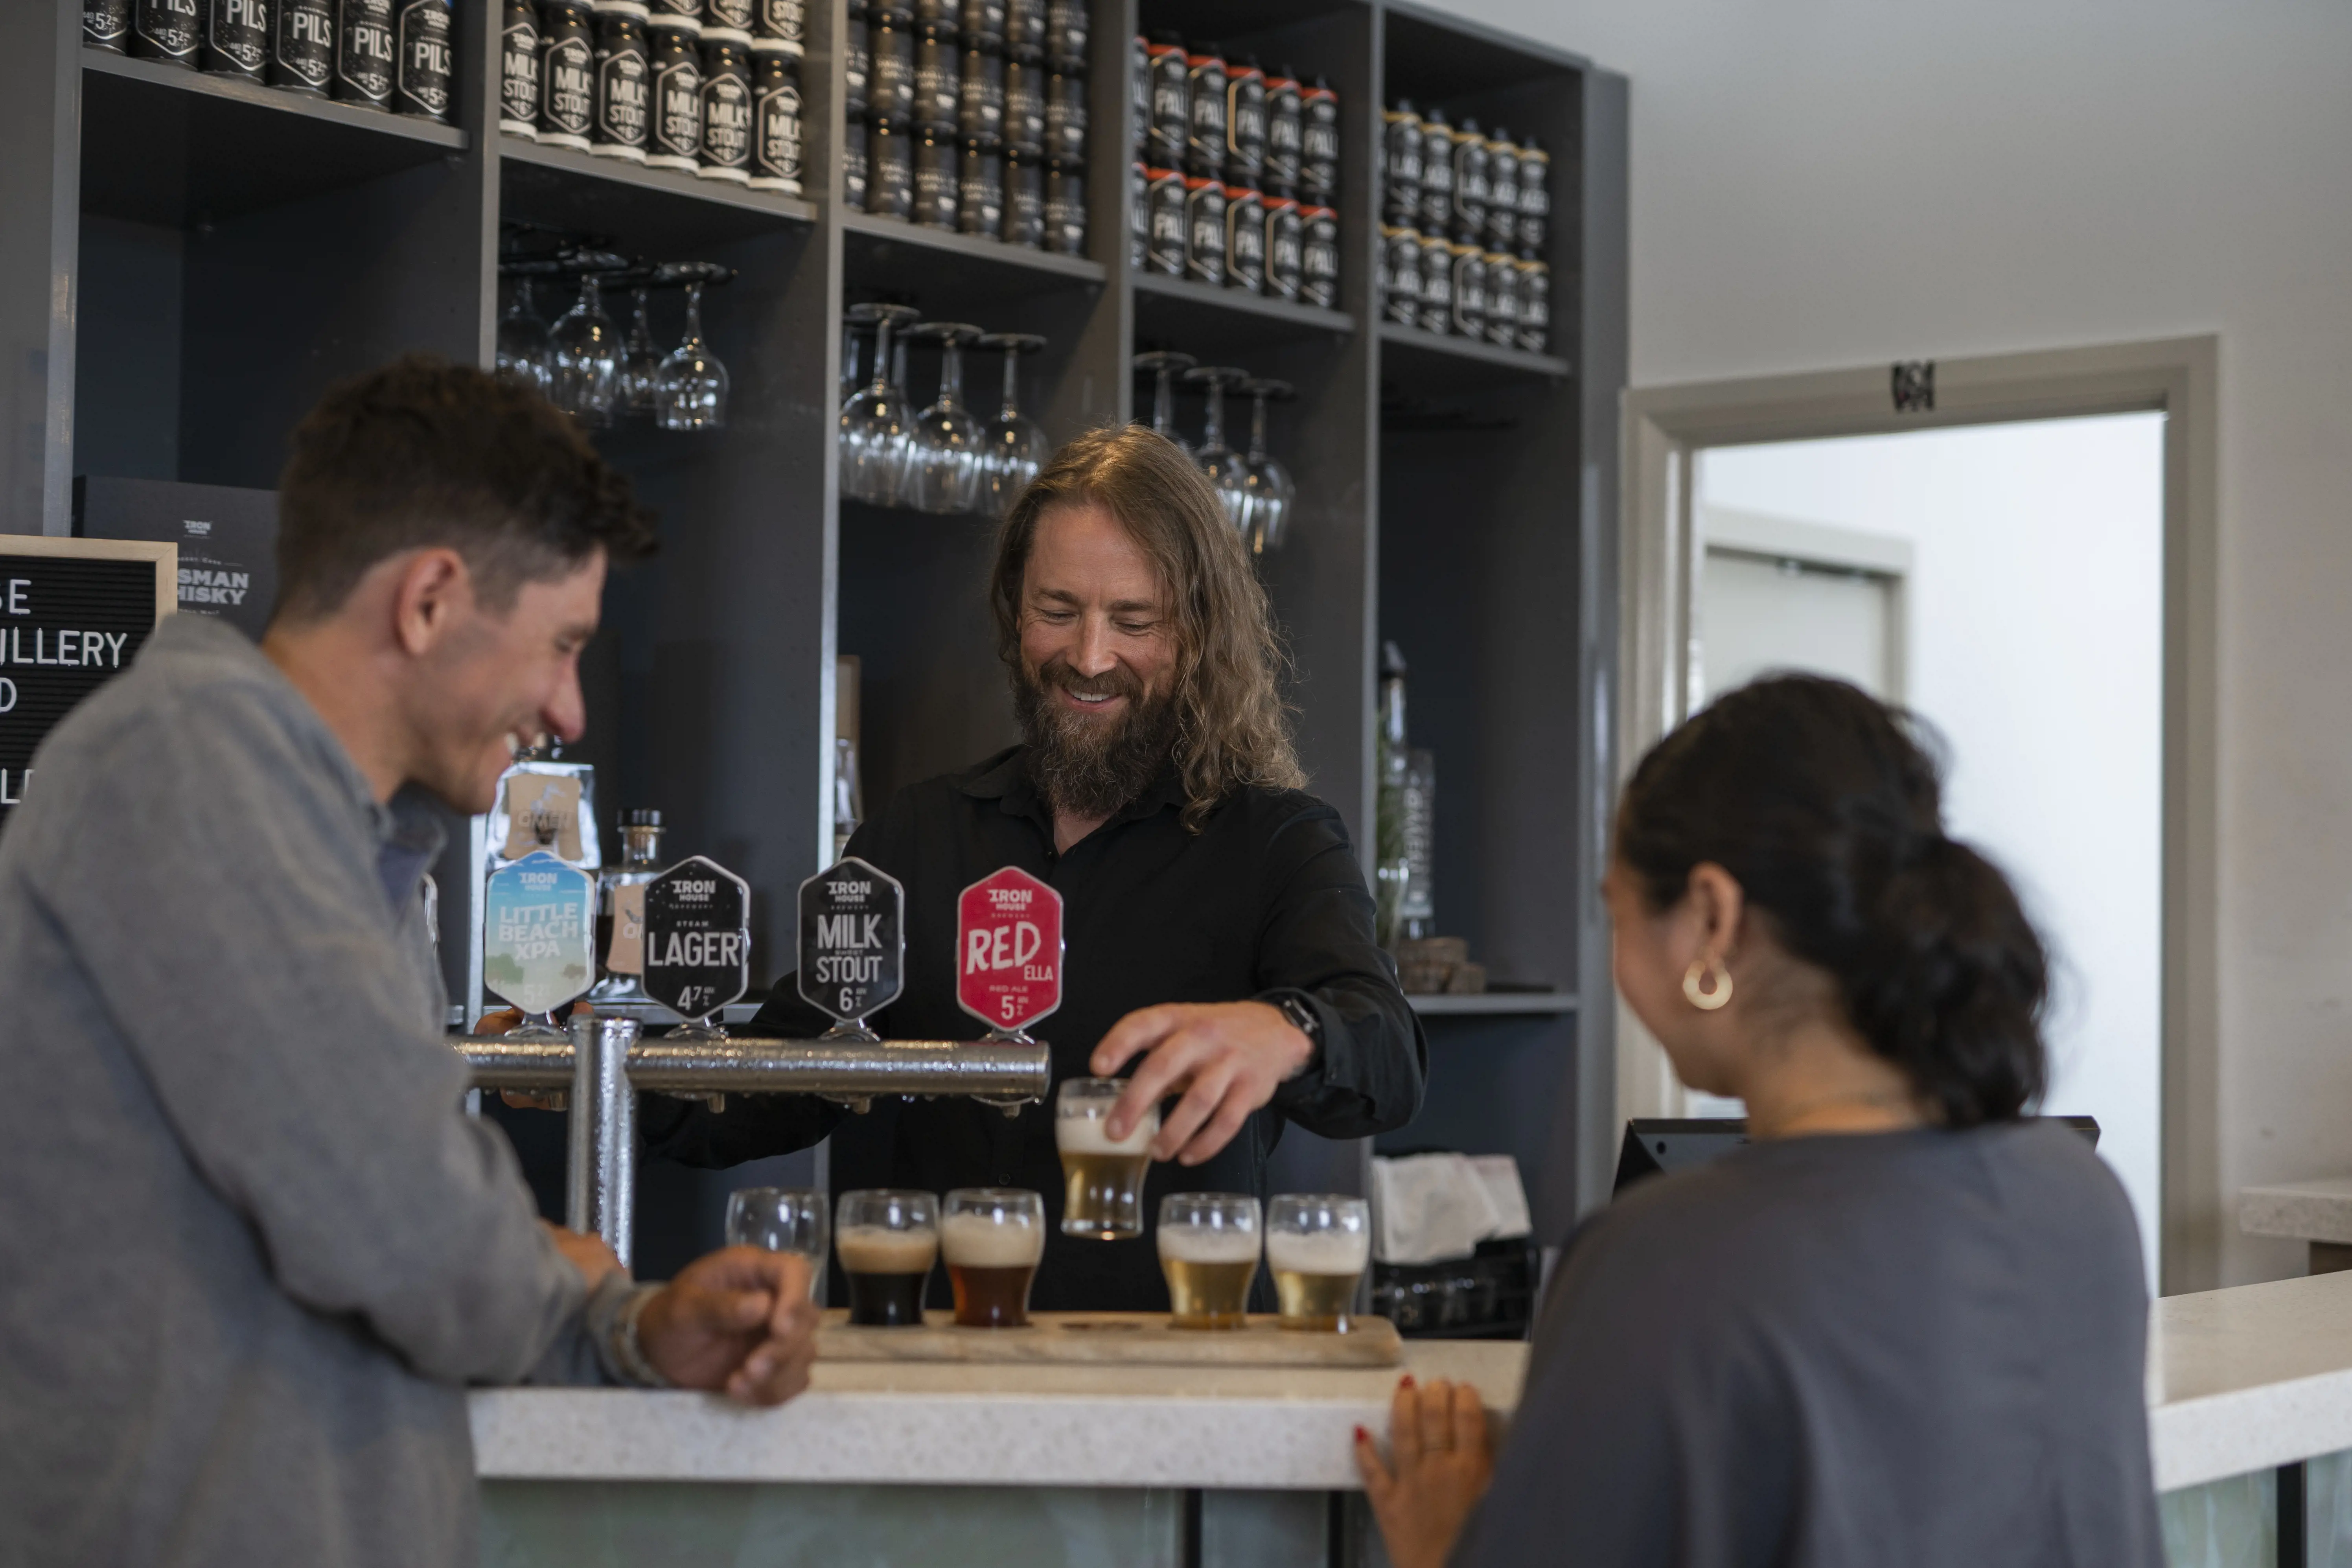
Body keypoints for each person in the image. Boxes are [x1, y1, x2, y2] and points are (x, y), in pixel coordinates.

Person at [0, 357, 823, 1568]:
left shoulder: (332, 824)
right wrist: (585, 1302)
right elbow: (394, 1217)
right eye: (561, 643)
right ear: (430, 599)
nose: (570, 707)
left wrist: (624, 1317)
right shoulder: (193, 768)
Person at [1355, 675, 2162, 1568]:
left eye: (1614, 911)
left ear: (1711, 915)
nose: (1616, 959)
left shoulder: (1661, 1259)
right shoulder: (2083, 1200)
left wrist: (1441, 1548)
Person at [638, 425, 1426, 1309]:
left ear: (1199, 632)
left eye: (1134, 620)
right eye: (1059, 611)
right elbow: (778, 1077)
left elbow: (1388, 1053)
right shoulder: (918, 834)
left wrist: (1292, 1028)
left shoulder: (1274, 841)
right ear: (1014, 612)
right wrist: (595, 1063)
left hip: (1170, 1376)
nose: (1090, 658)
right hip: (939, 1357)